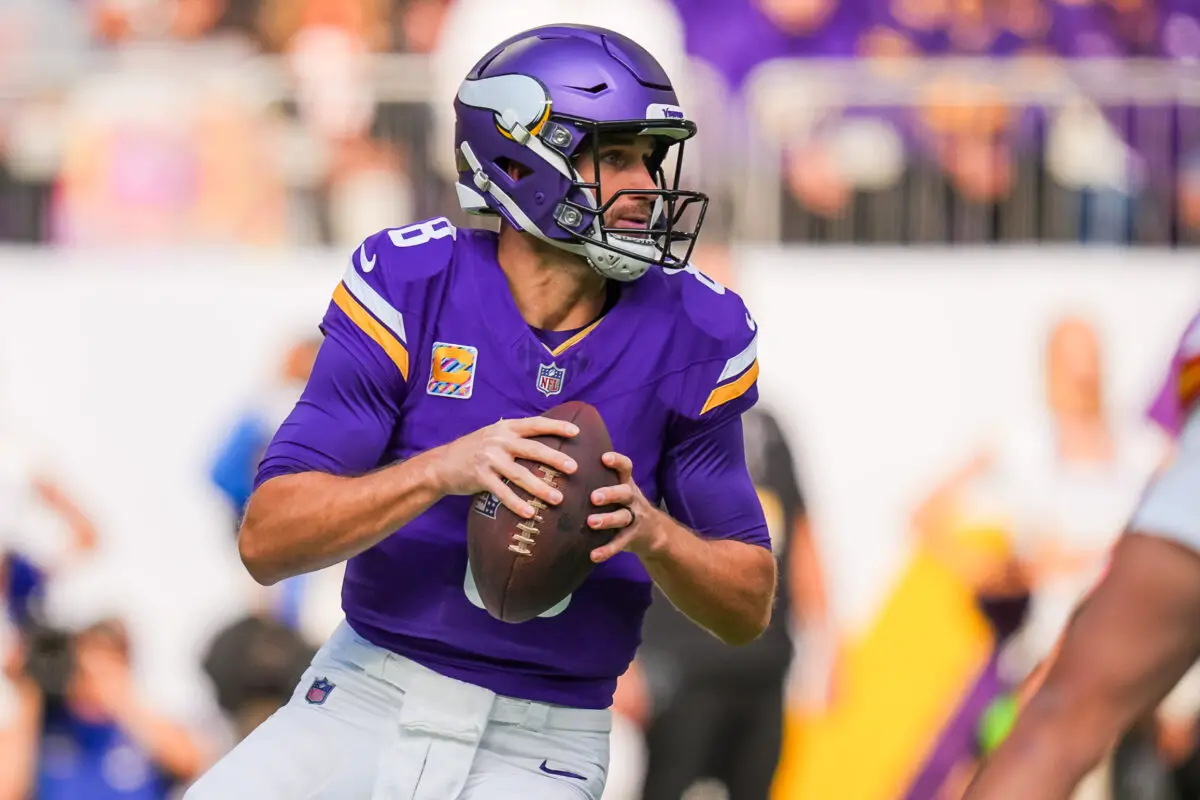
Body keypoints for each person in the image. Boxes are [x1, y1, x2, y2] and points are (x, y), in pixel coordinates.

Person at [184, 23, 776, 800]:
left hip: (545, 742)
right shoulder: (411, 282)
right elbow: (267, 538)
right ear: (519, 158)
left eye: (649, 158)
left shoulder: (695, 330)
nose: (646, 187)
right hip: (363, 695)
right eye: (616, 156)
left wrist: (654, 531)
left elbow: (748, 604)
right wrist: (439, 470)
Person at [962, 309, 1200, 800]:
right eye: (1074, 361)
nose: (1086, 374)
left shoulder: (1143, 448)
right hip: (1059, 656)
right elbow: (933, 518)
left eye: (1091, 360)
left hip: (1136, 668)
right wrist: (1018, 569)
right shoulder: (1022, 445)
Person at [618, 403, 827, 800]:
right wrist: (622, 663)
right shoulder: (649, 415)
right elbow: (614, 533)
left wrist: (826, 641)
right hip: (679, 667)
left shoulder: (767, 423)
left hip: (764, 663)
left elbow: (799, 532)